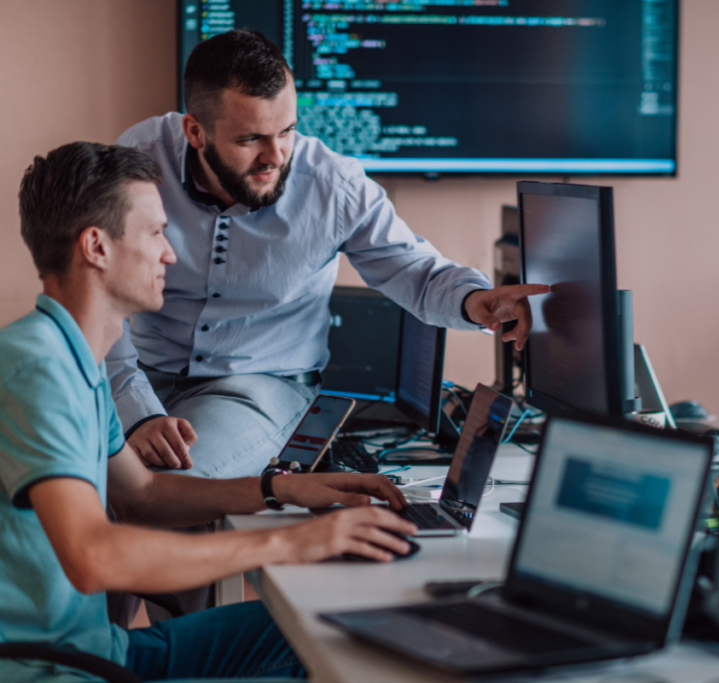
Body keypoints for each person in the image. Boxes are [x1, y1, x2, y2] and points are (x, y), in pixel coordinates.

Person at [1, 140, 418, 683]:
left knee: (328, 625)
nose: (169, 254)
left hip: (103, 650)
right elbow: (92, 556)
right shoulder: (37, 368)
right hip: (56, 672)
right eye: (154, 233)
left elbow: (143, 497)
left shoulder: (78, 364)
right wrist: (294, 540)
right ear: (97, 247)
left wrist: (281, 489)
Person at [108, 29, 548, 479]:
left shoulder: (333, 186)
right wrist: (135, 407)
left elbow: (416, 270)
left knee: (167, 484)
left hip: (260, 387)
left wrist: (477, 301)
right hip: (140, 374)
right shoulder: (139, 163)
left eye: (287, 131)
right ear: (195, 131)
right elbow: (97, 293)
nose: (274, 157)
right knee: (62, 473)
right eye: (250, 140)